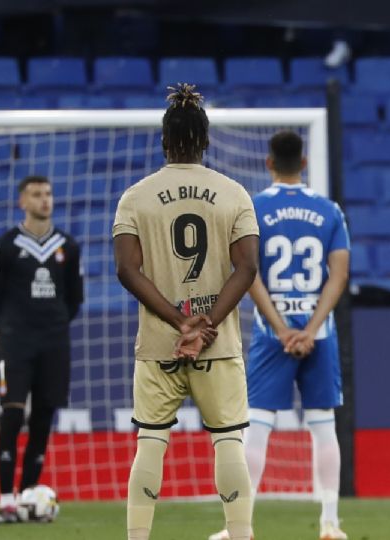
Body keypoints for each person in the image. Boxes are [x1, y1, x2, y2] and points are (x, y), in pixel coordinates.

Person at [113, 84, 259, 540]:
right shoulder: (234, 193)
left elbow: (126, 270)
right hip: (218, 342)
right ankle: (239, 534)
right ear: (206, 140)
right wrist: (206, 323)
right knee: (228, 440)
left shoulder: (135, 197)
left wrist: (180, 322)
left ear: (164, 141)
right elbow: (248, 266)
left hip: (160, 342)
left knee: (151, 442)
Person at [209, 130, 351, 540]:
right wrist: (308, 329)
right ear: (303, 164)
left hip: (273, 336)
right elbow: (338, 276)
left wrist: (281, 328)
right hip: (319, 333)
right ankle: (330, 524)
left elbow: (248, 273)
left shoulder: (252, 209)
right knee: (324, 426)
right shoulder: (329, 211)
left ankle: (241, 527)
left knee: (256, 427)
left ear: (268, 163)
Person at [0, 175, 84, 524]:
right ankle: (6, 498)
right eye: (37, 195)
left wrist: (52, 324)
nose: (45, 200)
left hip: (54, 341)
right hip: (16, 342)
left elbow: (74, 299)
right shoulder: (6, 245)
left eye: (49, 194)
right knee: (12, 413)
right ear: (22, 201)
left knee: (43, 417)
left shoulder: (68, 247)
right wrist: (8, 330)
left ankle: (27, 496)